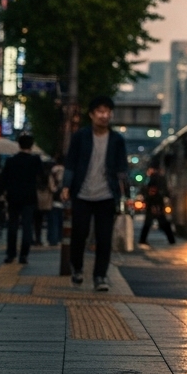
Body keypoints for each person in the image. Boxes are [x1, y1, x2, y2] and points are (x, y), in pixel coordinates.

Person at [62, 96, 129, 291]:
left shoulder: (117, 140)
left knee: (104, 238)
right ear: (91, 115)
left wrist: (125, 193)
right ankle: (77, 268)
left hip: (107, 195)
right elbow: (71, 164)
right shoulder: (80, 136)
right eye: (99, 111)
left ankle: (100, 276)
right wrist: (66, 187)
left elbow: (122, 169)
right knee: (79, 234)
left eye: (107, 111)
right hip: (82, 193)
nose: (104, 115)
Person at [1, 135, 44, 264]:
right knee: (27, 226)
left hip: (13, 196)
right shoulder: (35, 160)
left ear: (19, 145)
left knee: (12, 226)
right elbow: (42, 176)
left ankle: (11, 254)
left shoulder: (11, 161)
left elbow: (3, 179)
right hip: (29, 197)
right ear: (31, 145)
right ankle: (24, 255)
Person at [138, 164, 176, 246]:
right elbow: (165, 191)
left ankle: (142, 240)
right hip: (158, 203)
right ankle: (171, 239)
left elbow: (149, 192)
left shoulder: (152, 179)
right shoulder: (160, 179)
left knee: (149, 223)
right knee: (163, 222)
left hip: (153, 204)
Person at [46, 157, 65, 247]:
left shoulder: (52, 172)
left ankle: (53, 239)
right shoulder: (66, 171)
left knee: (53, 221)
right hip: (63, 200)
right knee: (61, 221)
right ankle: (60, 238)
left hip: (52, 200)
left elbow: (51, 187)